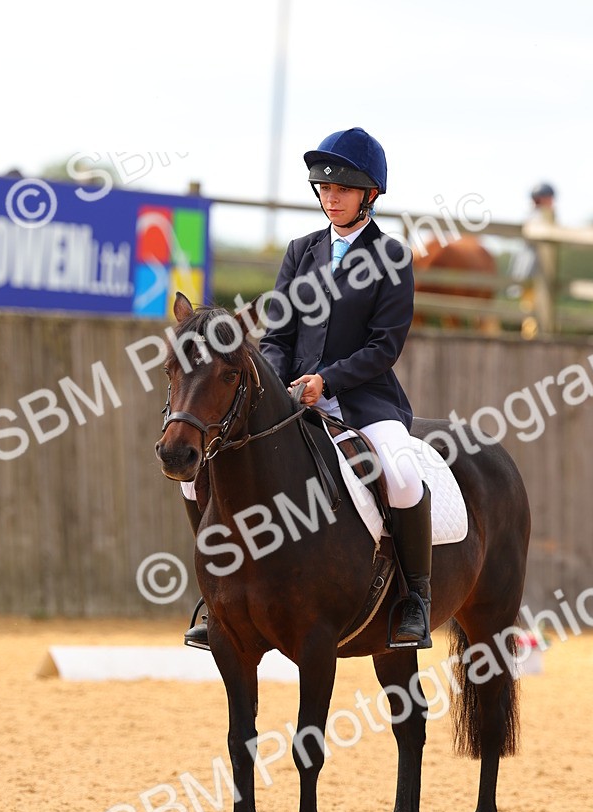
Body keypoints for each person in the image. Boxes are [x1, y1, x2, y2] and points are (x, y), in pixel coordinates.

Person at [182, 127, 433, 651]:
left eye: (341, 189)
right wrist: (278, 385)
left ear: (370, 194)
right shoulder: (301, 251)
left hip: (363, 398)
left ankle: (415, 599)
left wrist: (330, 380)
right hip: (292, 396)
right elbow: (277, 335)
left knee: (405, 476)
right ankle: (215, 593)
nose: (330, 198)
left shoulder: (393, 257)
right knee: (199, 473)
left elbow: (385, 346)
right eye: (323, 188)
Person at [508, 182, 556, 337]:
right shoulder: (539, 216)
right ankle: (531, 339)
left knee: (533, 308)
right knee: (531, 309)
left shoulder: (534, 215)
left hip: (534, 270)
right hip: (532, 270)